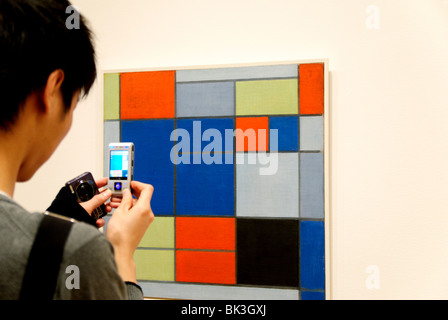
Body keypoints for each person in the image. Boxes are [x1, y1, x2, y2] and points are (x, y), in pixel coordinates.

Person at [0, 0, 154, 299]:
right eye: (73, 105)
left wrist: (52, 228)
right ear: (53, 89)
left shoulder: (60, 244)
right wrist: (121, 254)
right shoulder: (82, 252)